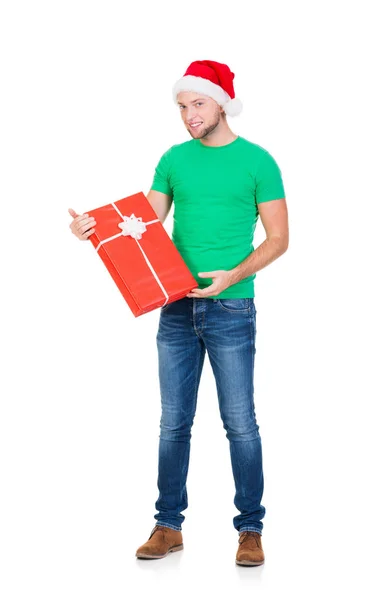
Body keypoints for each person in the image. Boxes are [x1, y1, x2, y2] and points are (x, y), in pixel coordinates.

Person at [69, 59, 288, 567]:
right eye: (182, 106)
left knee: (240, 422)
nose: (189, 114)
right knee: (173, 423)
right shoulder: (173, 159)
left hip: (232, 306)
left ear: (221, 104)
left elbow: (279, 239)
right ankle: (168, 527)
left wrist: (232, 276)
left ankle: (250, 530)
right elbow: (140, 225)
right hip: (174, 309)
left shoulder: (259, 162)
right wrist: (92, 230)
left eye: (198, 103)